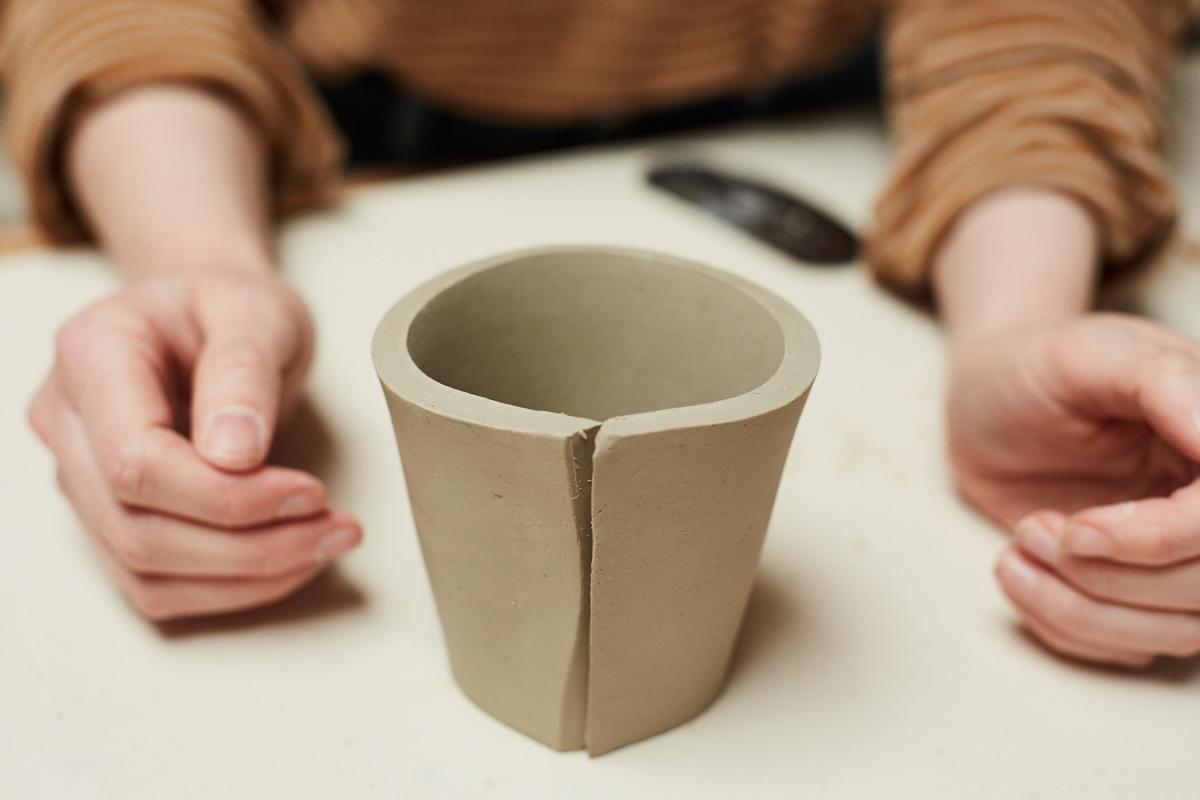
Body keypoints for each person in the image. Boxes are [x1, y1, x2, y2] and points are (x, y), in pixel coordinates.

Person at [10, 0, 1200, 668]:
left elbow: (1033, 24)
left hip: (838, 112)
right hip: (344, 128)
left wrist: (1017, 319)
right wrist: (202, 265)